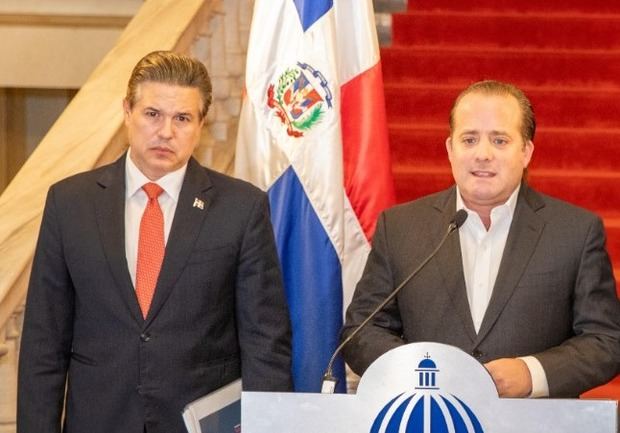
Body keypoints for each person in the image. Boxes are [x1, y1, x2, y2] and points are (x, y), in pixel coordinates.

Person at [17, 51, 292, 433]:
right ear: (127, 111)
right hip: (99, 421)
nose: (165, 132)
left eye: (182, 118)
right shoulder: (70, 203)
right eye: (152, 114)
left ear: (201, 124)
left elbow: (266, 343)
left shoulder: (241, 208)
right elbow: (43, 344)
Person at [341, 80, 620, 398]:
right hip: (429, 414)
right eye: (469, 139)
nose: (483, 154)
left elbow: (606, 340)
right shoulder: (400, 227)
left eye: (500, 140)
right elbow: (362, 331)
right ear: (450, 149)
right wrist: (422, 371)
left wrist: (532, 374)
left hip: (534, 419)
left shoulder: (575, 231)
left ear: (526, 152)